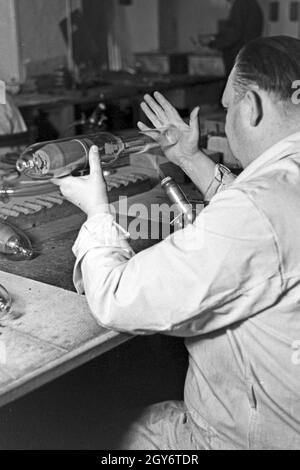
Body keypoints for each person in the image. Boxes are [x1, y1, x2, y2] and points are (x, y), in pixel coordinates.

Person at [52, 36, 300, 450]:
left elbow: (118, 298)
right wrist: (190, 158)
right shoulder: (283, 184)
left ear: (252, 106)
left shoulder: (256, 211)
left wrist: (96, 212)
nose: (229, 115)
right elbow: (267, 219)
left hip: (241, 439)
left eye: (229, 106)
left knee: (88, 432)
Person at [206, 0, 264, 75]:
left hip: (238, 57)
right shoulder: (254, 4)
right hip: (249, 57)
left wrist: (212, 43)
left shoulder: (241, 3)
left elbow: (233, 33)